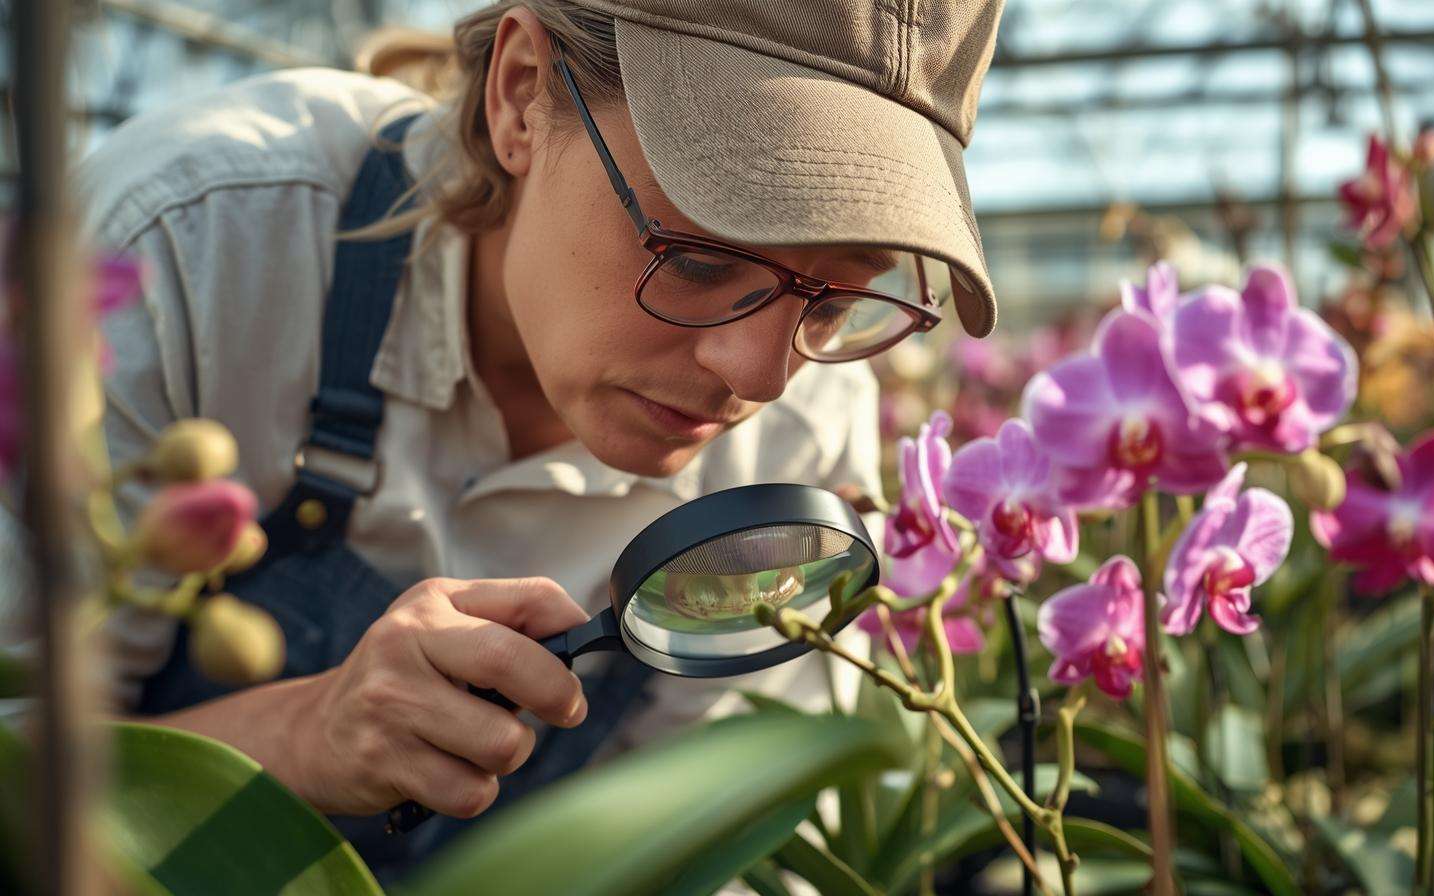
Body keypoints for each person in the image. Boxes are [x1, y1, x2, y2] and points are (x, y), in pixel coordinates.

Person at [76, 0, 1004, 879]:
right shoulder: (188, 258)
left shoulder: (802, 430)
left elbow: (712, 847)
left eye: (838, 300)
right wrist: (302, 733)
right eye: (699, 258)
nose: (760, 375)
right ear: (522, 93)